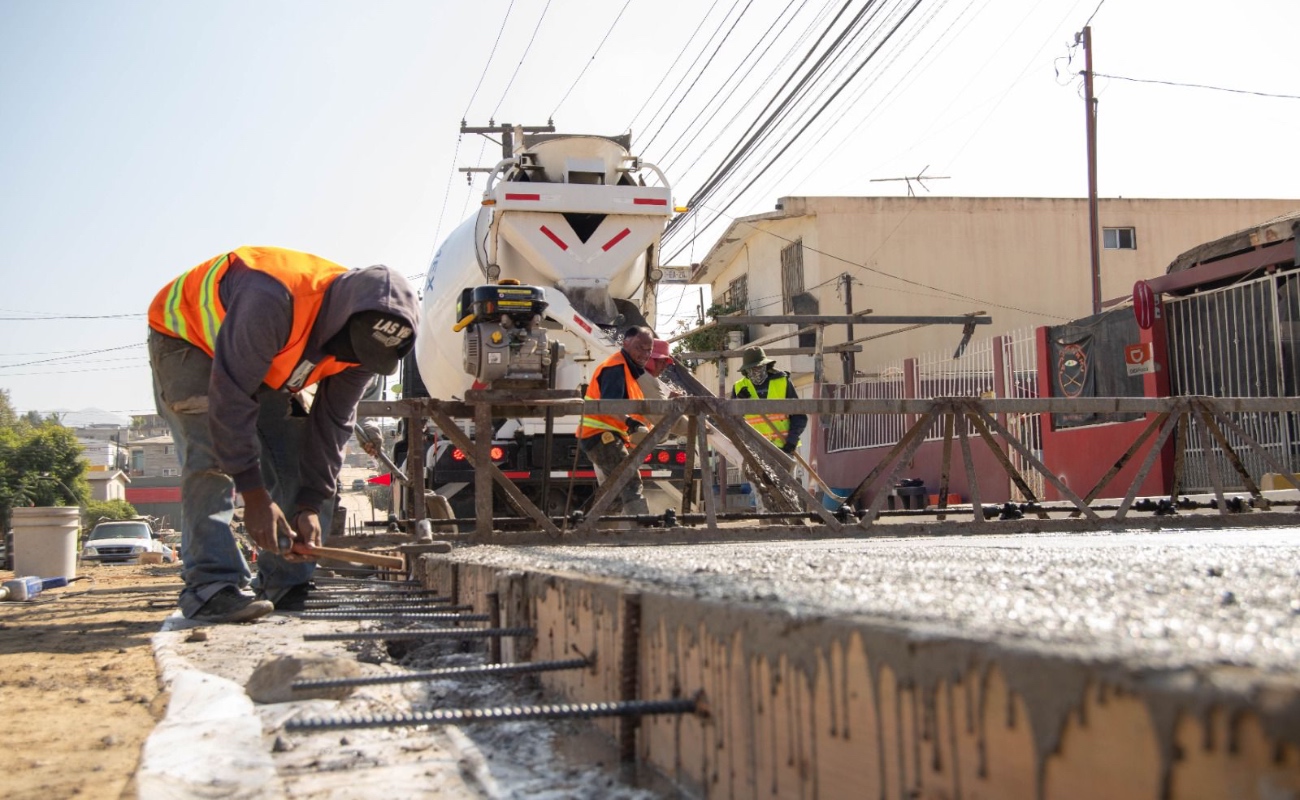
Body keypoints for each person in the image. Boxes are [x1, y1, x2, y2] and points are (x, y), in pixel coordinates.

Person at [148, 246, 420, 623]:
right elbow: (230, 399)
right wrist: (255, 495)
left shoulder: (365, 350)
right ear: (341, 320)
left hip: (267, 357)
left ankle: (287, 584)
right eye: (350, 350)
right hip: (189, 340)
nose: (351, 361)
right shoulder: (272, 298)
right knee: (211, 456)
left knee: (293, 459)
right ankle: (210, 587)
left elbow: (331, 426)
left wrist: (309, 503)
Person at [577, 326, 655, 516]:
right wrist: (631, 424)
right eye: (639, 347)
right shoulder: (616, 368)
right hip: (601, 436)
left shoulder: (626, 370)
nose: (644, 354)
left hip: (602, 436)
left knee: (615, 490)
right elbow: (610, 405)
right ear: (625, 343)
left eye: (648, 349)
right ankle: (642, 530)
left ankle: (598, 530)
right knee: (629, 481)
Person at [731, 345, 808, 455]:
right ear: (746, 370)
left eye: (758, 367)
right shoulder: (739, 387)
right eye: (751, 369)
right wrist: (738, 403)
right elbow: (731, 421)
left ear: (766, 366)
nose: (755, 372)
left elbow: (799, 416)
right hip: (755, 450)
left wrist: (792, 440)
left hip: (783, 448)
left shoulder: (782, 381)